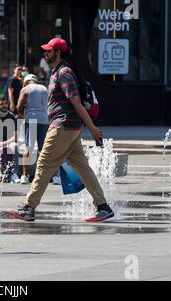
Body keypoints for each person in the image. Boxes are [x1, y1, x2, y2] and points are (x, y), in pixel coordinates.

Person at [17, 37, 114, 223]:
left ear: (58, 52)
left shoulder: (64, 73)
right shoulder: (56, 72)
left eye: (49, 50)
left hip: (62, 126)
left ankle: (29, 207)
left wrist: (92, 128)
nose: (45, 53)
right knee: (82, 168)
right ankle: (103, 206)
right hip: (70, 128)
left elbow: (76, 102)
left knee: (44, 163)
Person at [16, 73, 60, 185]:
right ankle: (55, 176)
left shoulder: (26, 89)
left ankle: (24, 176)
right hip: (44, 119)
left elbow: (19, 106)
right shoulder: (44, 88)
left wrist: (22, 115)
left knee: (28, 148)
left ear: (26, 82)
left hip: (31, 119)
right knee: (46, 148)